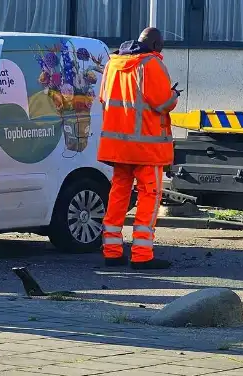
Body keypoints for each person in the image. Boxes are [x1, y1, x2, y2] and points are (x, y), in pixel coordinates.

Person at [97, 27, 181, 271]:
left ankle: (111, 251)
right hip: (146, 147)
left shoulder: (112, 65)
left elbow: (104, 99)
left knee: (118, 193)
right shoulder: (150, 64)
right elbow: (163, 103)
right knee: (149, 195)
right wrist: (174, 94)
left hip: (119, 147)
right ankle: (142, 255)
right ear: (155, 44)